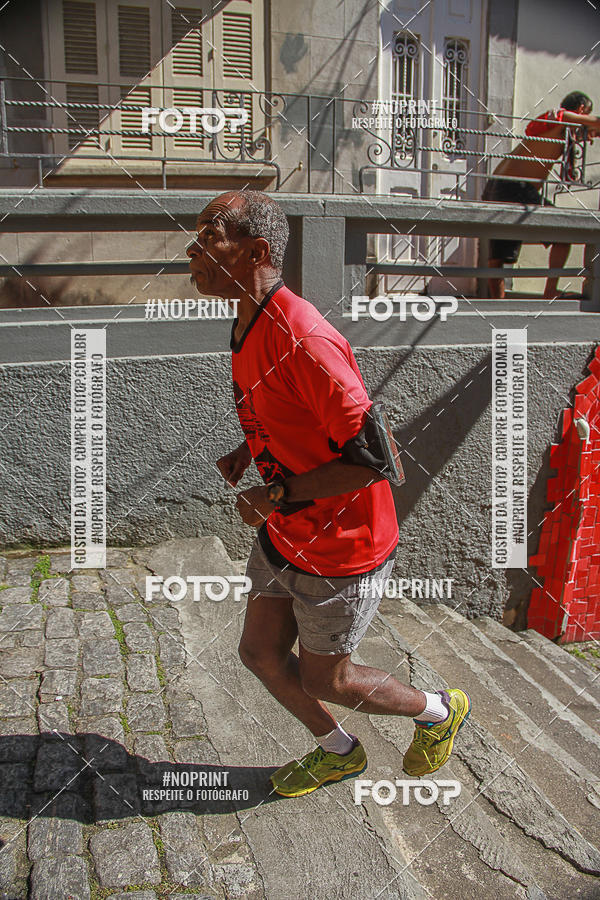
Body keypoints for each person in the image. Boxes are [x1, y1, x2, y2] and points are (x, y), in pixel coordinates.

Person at [186, 189, 471, 798]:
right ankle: (339, 751)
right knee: (260, 653)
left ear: (256, 251)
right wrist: (252, 450)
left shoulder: (303, 338)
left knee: (328, 680)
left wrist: (277, 490)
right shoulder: (246, 321)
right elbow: (289, 414)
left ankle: (439, 710)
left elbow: (375, 459)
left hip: (344, 549)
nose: (193, 248)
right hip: (285, 533)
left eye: (210, 236)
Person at [482, 91, 600, 299]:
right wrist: (591, 125)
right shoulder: (560, 117)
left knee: (499, 253)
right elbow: (588, 121)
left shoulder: (553, 128)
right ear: (582, 109)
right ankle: (550, 291)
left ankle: (496, 304)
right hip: (516, 188)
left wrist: (588, 133)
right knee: (563, 235)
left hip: (496, 185)